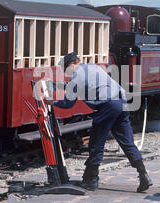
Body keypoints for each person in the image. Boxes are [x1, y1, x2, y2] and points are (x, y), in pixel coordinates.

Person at [45, 52, 152, 192]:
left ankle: (91, 180)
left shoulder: (77, 76)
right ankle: (143, 175)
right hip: (121, 103)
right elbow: (86, 85)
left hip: (107, 107)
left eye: (66, 69)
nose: (66, 73)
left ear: (71, 65)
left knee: (96, 143)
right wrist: (61, 86)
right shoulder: (92, 67)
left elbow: (68, 103)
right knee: (127, 142)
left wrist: (52, 102)